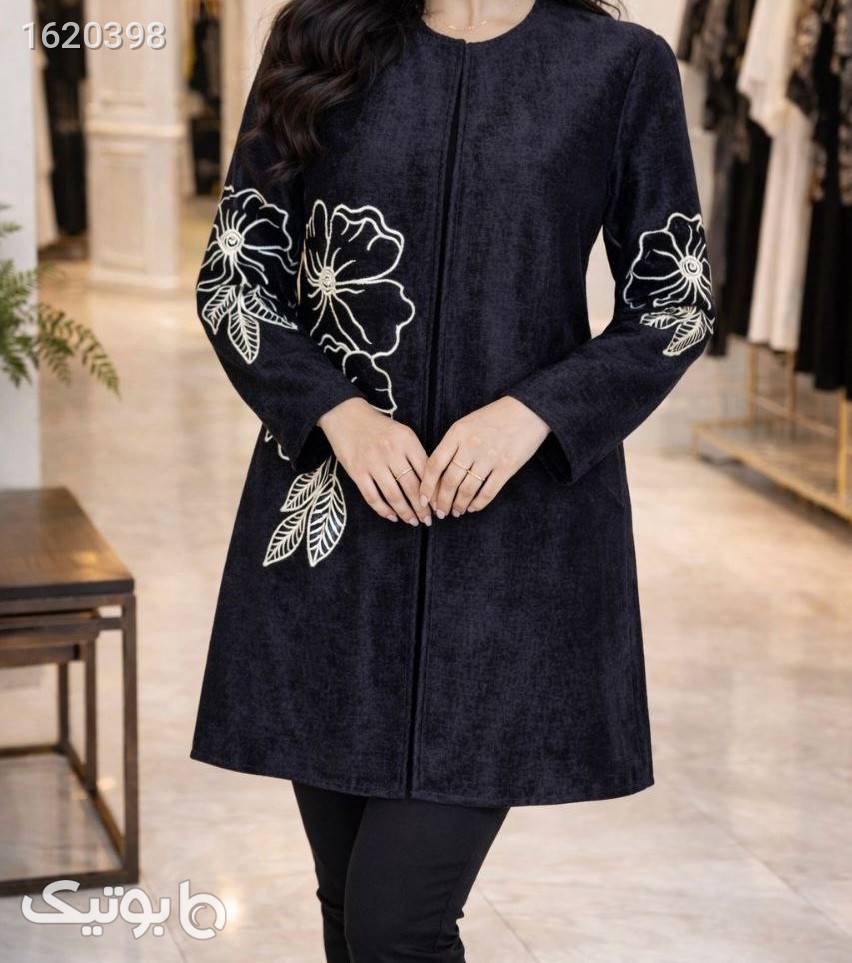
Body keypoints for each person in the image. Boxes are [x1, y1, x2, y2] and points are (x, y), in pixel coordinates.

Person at [190, 1, 714, 959]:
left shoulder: (618, 66)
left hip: (514, 544)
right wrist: (336, 412)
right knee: (349, 907)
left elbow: (674, 301)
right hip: (339, 541)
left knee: (398, 923)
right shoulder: (321, 37)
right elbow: (235, 278)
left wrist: (537, 412)